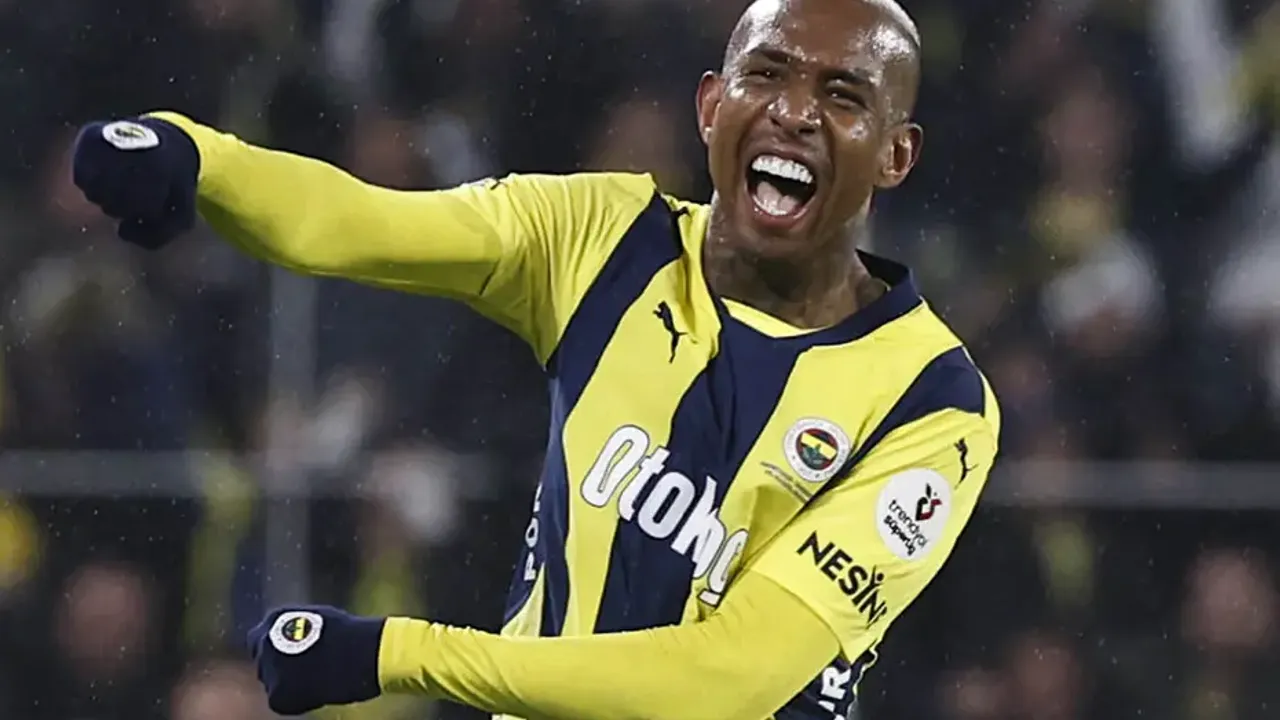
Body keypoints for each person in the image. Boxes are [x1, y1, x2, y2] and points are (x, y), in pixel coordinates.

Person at [70, 0, 1001, 717]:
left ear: (896, 155)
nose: (794, 112)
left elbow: (726, 678)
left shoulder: (934, 403)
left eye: (842, 96)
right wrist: (197, 158)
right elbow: (358, 221)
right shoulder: (604, 238)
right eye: (767, 75)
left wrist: (399, 653)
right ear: (712, 106)